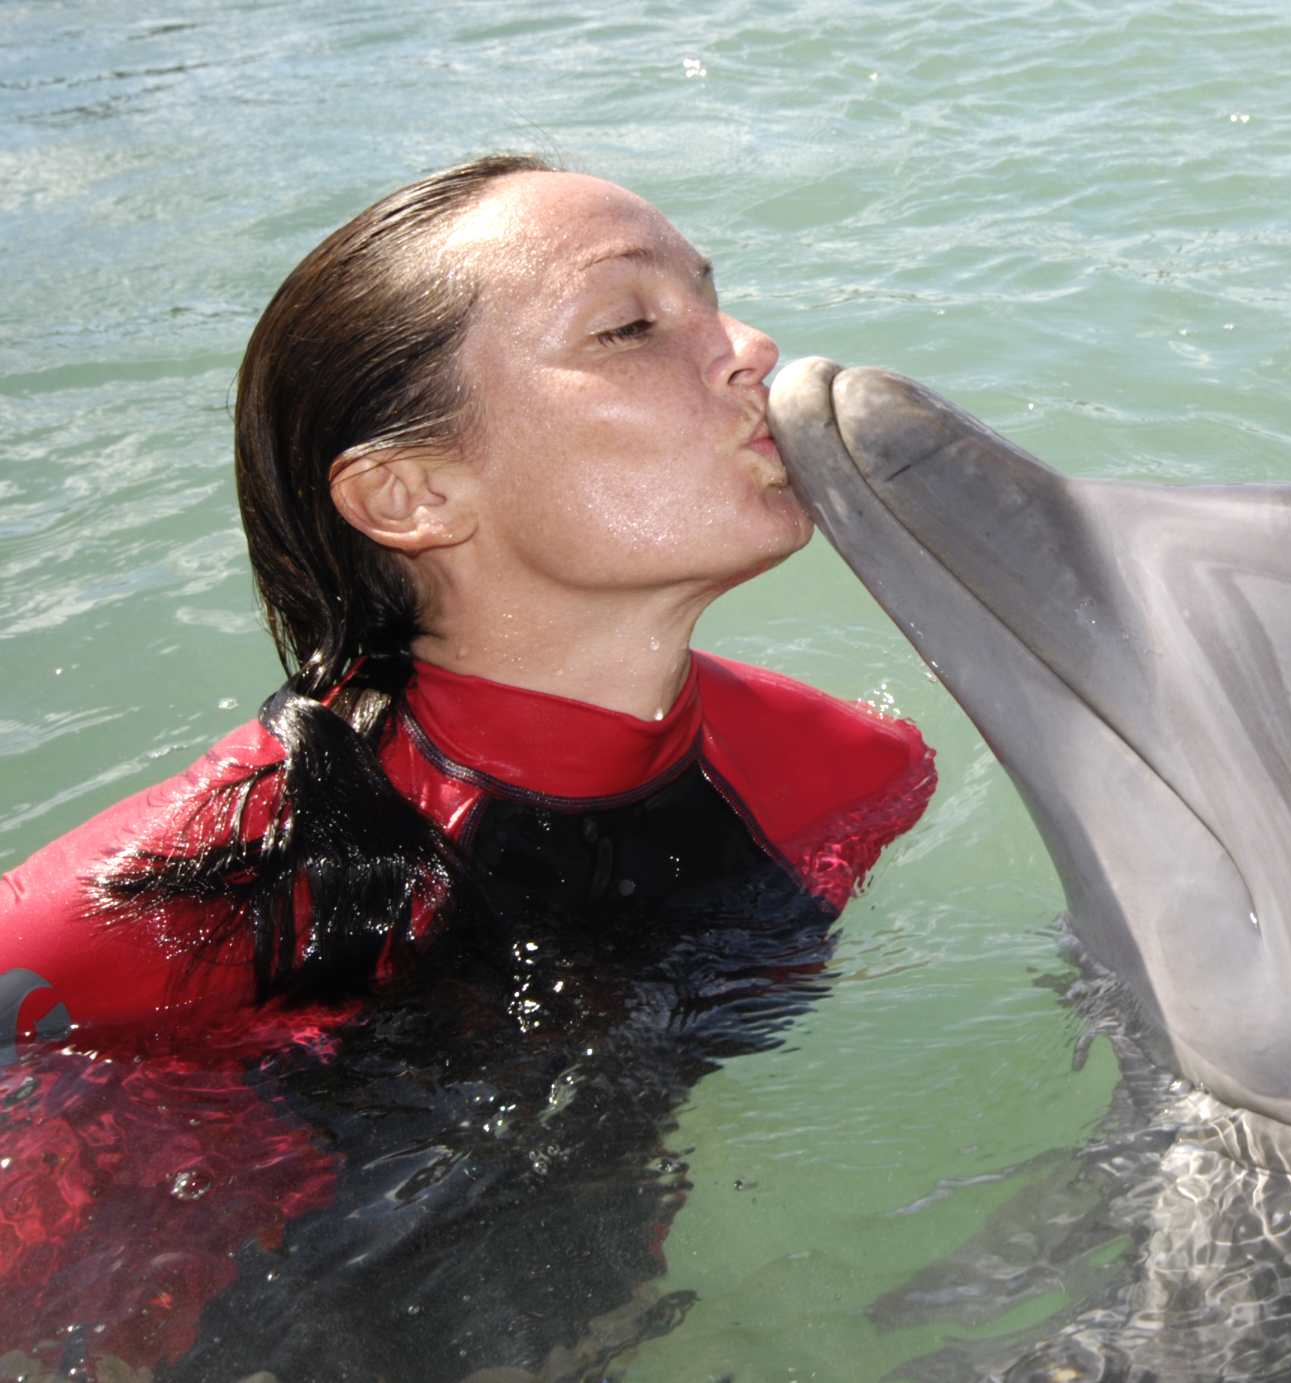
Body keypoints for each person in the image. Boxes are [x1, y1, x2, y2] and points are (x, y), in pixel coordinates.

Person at [0, 156, 935, 1381]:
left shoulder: (853, 777)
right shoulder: (139, 911)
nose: (752, 348)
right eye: (628, 326)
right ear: (412, 492)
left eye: (717, 299)